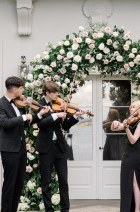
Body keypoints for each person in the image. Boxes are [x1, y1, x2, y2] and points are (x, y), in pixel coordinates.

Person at [0, 76, 49, 212]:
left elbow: (26, 123)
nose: (23, 90)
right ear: (14, 89)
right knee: (9, 183)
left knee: (19, 184)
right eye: (22, 88)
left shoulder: (19, 103)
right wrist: (24, 117)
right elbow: (4, 123)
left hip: (21, 149)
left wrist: (39, 115)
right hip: (9, 149)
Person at [35, 81, 85, 212]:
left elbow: (65, 126)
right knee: (46, 181)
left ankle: (65, 209)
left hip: (59, 147)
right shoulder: (39, 104)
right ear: (47, 93)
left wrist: (74, 116)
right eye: (54, 92)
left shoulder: (59, 104)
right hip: (46, 147)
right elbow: (41, 124)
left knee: (63, 180)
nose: (57, 94)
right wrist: (55, 115)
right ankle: (49, 209)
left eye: (57, 92)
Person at [111, 100, 140, 212]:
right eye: (131, 107)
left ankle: (137, 209)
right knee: (127, 181)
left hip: (136, 153)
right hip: (128, 153)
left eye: (133, 107)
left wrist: (126, 128)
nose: (131, 109)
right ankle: (127, 208)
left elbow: (133, 140)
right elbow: (114, 129)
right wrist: (114, 123)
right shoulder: (131, 121)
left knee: (135, 181)